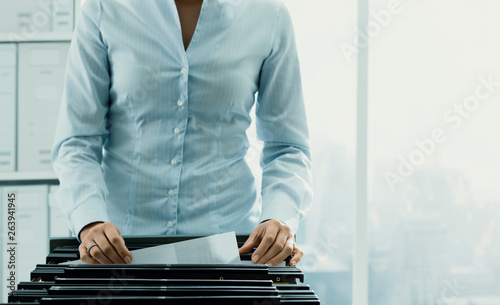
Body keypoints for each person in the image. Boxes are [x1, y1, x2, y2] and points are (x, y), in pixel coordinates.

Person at [51, 0, 313, 266]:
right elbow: (77, 142)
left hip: (233, 250)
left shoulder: (269, 15)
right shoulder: (104, 8)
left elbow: (287, 147)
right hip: (121, 253)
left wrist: (278, 217)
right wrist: (90, 220)